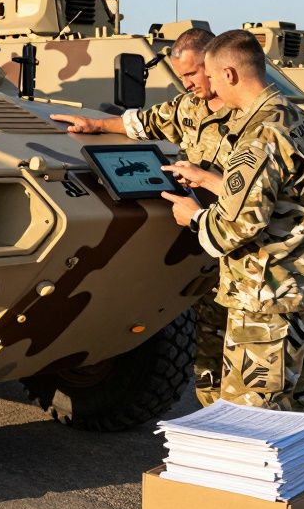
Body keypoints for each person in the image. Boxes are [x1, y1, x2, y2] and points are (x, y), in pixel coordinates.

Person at [50, 28, 232, 406]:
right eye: (180, 75)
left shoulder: (251, 117)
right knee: (209, 355)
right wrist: (96, 125)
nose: (186, 83)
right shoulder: (190, 107)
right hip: (201, 250)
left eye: (193, 74)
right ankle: (219, 429)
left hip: (242, 255)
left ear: (217, 66)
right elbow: (141, 122)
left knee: (255, 370)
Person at [160, 29, 304, 412]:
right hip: (301, 284)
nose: (212, 90)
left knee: (253, 416)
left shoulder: (257, 138)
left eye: (212, 76)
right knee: (291, 405)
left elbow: (229, 232)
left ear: (230, 75)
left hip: (264, 298)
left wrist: (192, 217)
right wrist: (217, 182)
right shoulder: (293, 117)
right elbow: (288, 191)